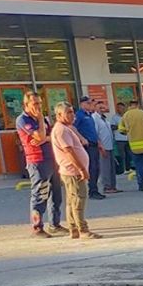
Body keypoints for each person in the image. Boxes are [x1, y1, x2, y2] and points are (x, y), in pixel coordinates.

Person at [15, 90, 65, 238]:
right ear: (26, 104)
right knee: (40, 194)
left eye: (40, 103)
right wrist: (42, 124)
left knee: (55, 194)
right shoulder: (23, 120)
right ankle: (37, 227)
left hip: (51, 158)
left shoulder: (42, 119)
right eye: (35, 103)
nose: (38, 107)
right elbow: (41, 136)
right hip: (37, 161)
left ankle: (55, 224)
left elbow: (51, 136)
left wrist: (44, 136)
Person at [50, 102, 102, 239]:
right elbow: (69, 152)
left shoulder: (66, 128)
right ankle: (82, 229)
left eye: (72, 112)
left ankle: (74, 228)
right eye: (69, 112)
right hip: (73, 171)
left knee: (72, 200)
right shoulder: (61, 130)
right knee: (79, 199)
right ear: (59, 115)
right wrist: (81, 169)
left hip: (72, 170)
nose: (72, 115)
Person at [74, 96, 104, 199]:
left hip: (94, 144)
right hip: (87, 145)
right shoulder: (79, 115)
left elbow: (93, 131)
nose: (90, 105)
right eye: (88, 103)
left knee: (96, 168)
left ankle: (94, 189)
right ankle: (92, 191)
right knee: (92, 168)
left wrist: (99, 142)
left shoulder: (89, 115)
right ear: (82, 104)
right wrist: (81, 139)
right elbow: (73, 128)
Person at [92, 100, 119, 194]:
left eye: (102, 105)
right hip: (103, 146)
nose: (101, 107)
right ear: (94, 107)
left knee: (111, 167)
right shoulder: (94, 118)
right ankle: (106, 186)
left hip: (110, 145)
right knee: (105, 167)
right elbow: (95, 133)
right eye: (98, 105)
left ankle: (113, 186)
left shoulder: (104, 118)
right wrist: (100, 146)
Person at [110, 101, 128, 174]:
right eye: (119, 108)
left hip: (128, 138)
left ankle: (128, 168)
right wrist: (120, 126)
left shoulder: (126, 116)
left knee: (129, 155)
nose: (120, 109)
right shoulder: (114, 117)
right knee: (122, 155)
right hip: (120, 139)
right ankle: (123, 169)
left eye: (122, 108)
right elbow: (112, 127)